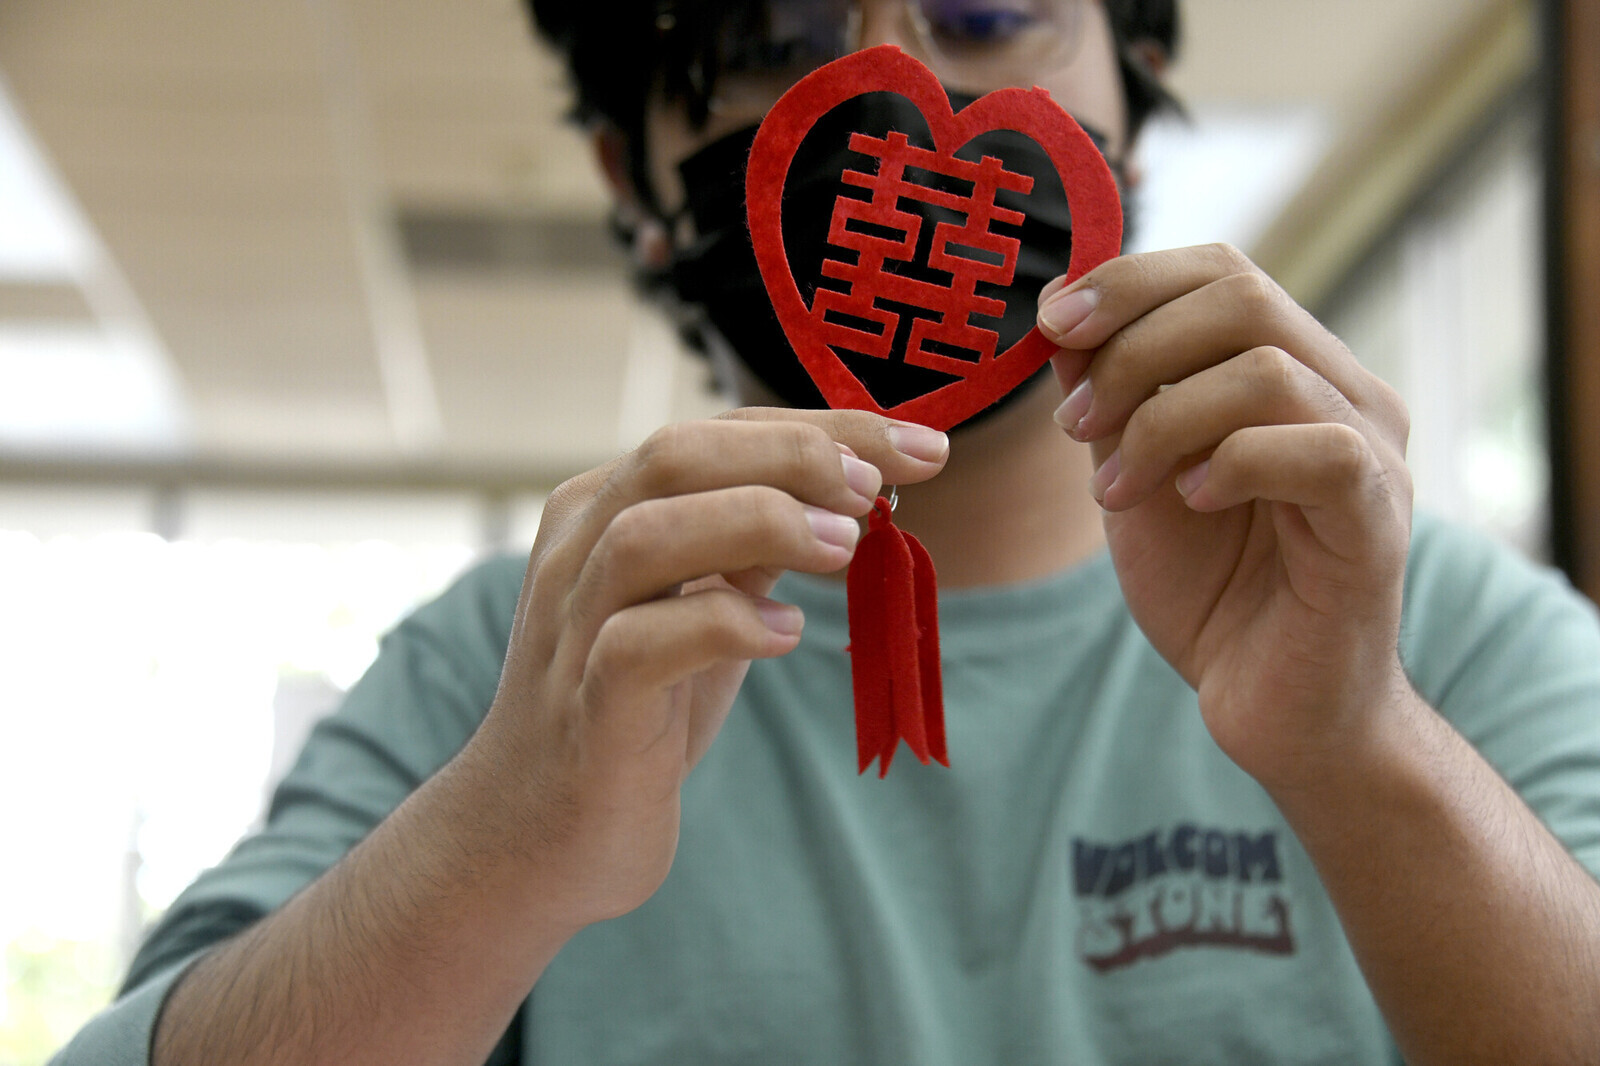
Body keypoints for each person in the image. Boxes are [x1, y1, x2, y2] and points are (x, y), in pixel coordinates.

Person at [52, 2, 1600, 1064]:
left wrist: (1366, 744)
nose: (883, 79)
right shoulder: (511, 671)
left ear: (1125, 80)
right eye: (768, 35)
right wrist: (499, 849)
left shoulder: (1433, 630)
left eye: (994, 9)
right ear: (632, 170)